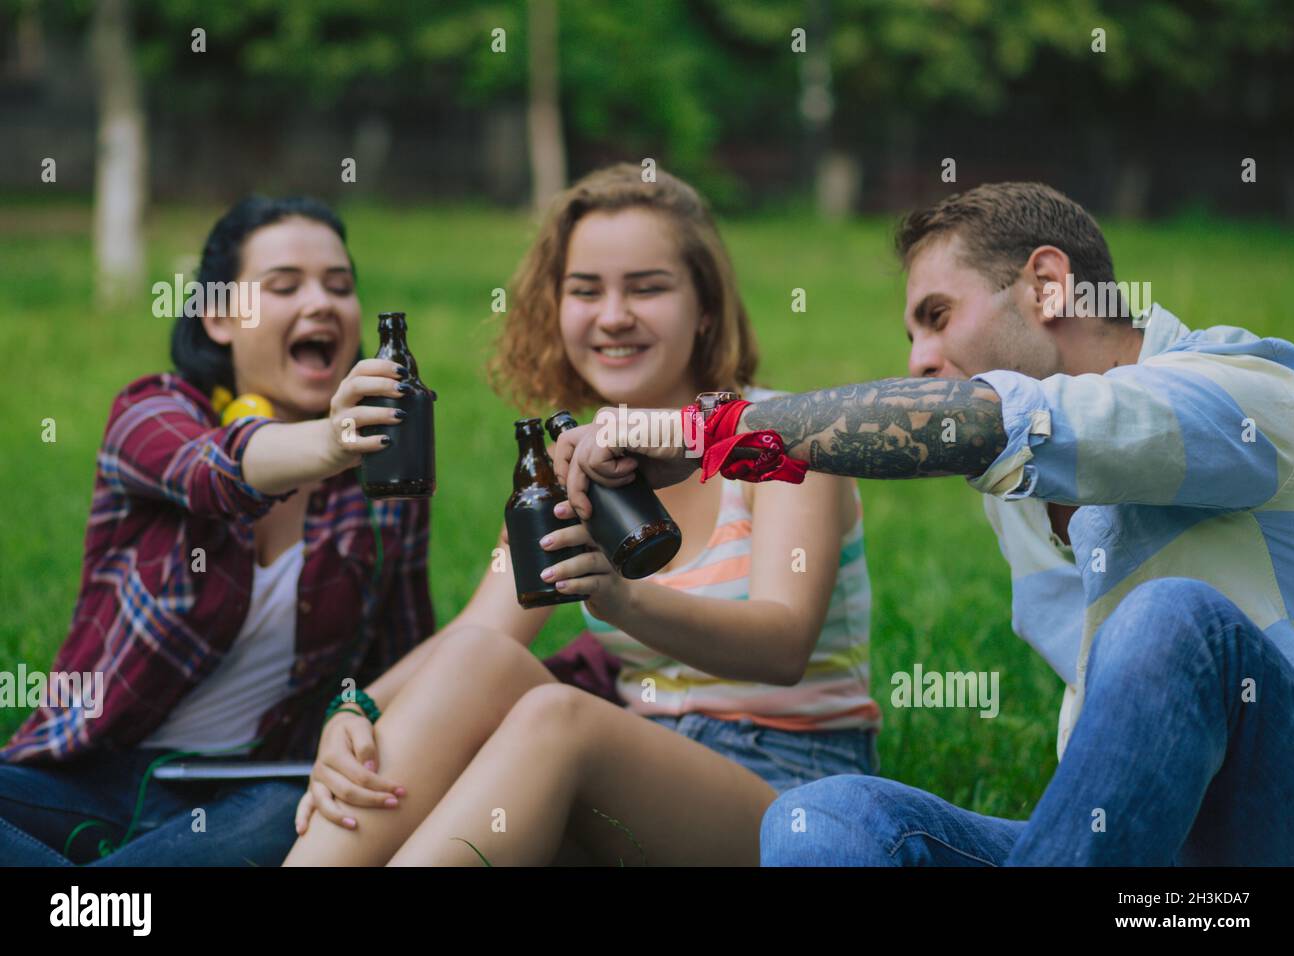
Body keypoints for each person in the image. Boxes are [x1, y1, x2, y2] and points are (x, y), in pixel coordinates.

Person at [554, 182, 1294, 866]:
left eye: (937, 318)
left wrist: (702, 434)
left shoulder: (1243, 393)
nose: (918, 359)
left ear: (1047, 285)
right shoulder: (1022, 499)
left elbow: (985, 425)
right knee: (826, 815)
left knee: (1172, 619)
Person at [284, 163, 879, 867]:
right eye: (585, 290)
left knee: (557, 717)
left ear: (706, 308)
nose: (613, 315)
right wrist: (353, 710)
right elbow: (475, 638)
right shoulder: (565, 470)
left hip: (790, 795)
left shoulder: (774, 435)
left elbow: (781, 648)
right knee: (484, 664)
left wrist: (620, 598)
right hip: (637, 778)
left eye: (648, 287)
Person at [0, 196, 435, 866]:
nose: (322, 303)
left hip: (252, 795)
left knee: (297, 813)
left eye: (340, 286)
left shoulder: (386, 489)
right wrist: (333, 439)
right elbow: (216, 472)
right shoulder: (152, 413)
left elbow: (404, 663)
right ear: (218, 316)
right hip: (85, 780)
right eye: (285, 286)